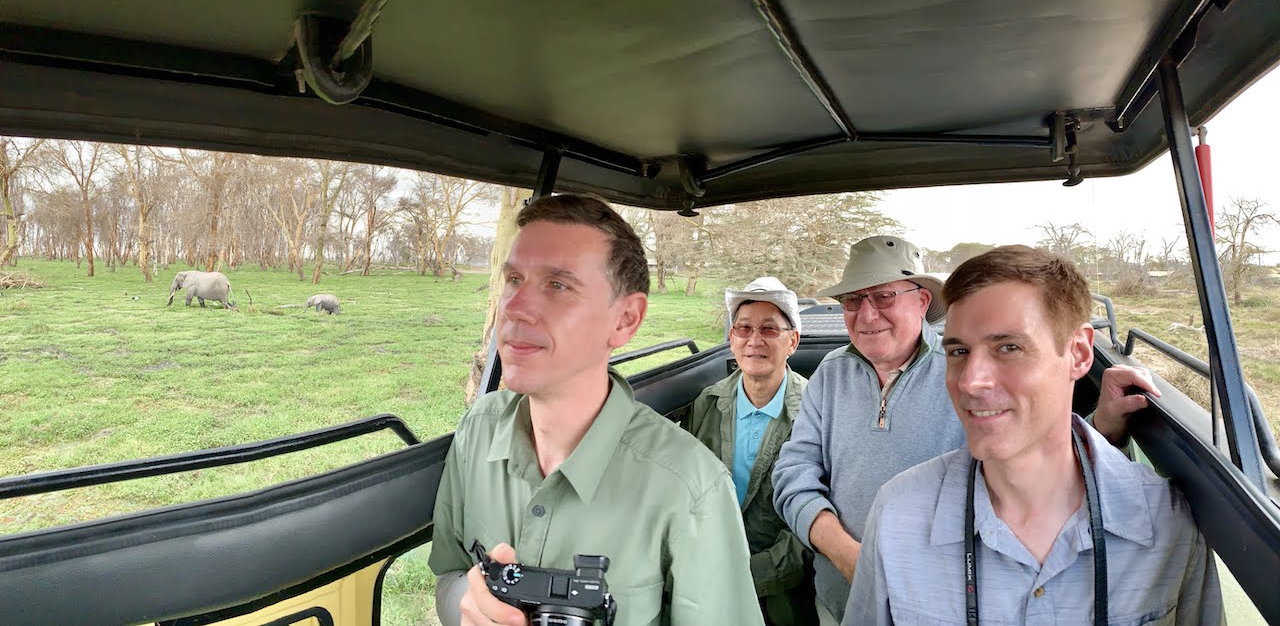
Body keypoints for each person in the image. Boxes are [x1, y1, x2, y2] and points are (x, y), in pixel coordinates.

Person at [771, 236, 1154, 624]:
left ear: (922, 301)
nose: (867, 314)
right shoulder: (830, 374)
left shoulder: (963, 373)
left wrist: (1104, 427)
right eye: (852, 300)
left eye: (884, 296)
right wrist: (846, 554)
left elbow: (1037, 454)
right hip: (839, 598)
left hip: (946, 604)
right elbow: (794, 470)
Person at [428, 194, 763, 626]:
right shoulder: (478, 428)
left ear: (625, 320)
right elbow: (449, 572)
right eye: (513, 279)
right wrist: (469, 605)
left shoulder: (691, 488)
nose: (514, 308)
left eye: (557, 285)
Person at [843, 245, 1222, 624]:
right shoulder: (897, 516)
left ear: (1077, 353)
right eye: (958, 351)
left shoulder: (1169, 519)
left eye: (1008, 347)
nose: (971, 382)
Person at [680, 276, 818, 626]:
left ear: (793, 342)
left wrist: (747, 575)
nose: (754, 340)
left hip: (782, 588)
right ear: (731, 339)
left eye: (769, 329)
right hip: (706, 575)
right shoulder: (706, 405)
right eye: (743, 328)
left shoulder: (815, 413)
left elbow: (813, 521)